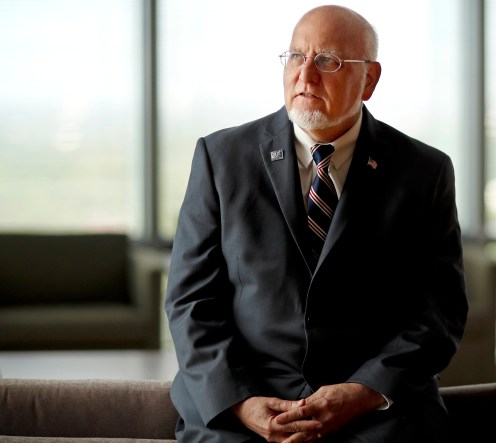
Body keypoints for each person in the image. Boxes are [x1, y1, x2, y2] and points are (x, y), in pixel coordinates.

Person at [165, 5, 467, 443]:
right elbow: (190, 300)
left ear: (369, 79)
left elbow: (440, 312)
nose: (305, 76)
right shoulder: (221, 159)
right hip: (243, 402)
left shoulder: (423, 172)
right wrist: (241, 402)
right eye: (295, 57)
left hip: (373, 411)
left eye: (328, 61)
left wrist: (363, 392)